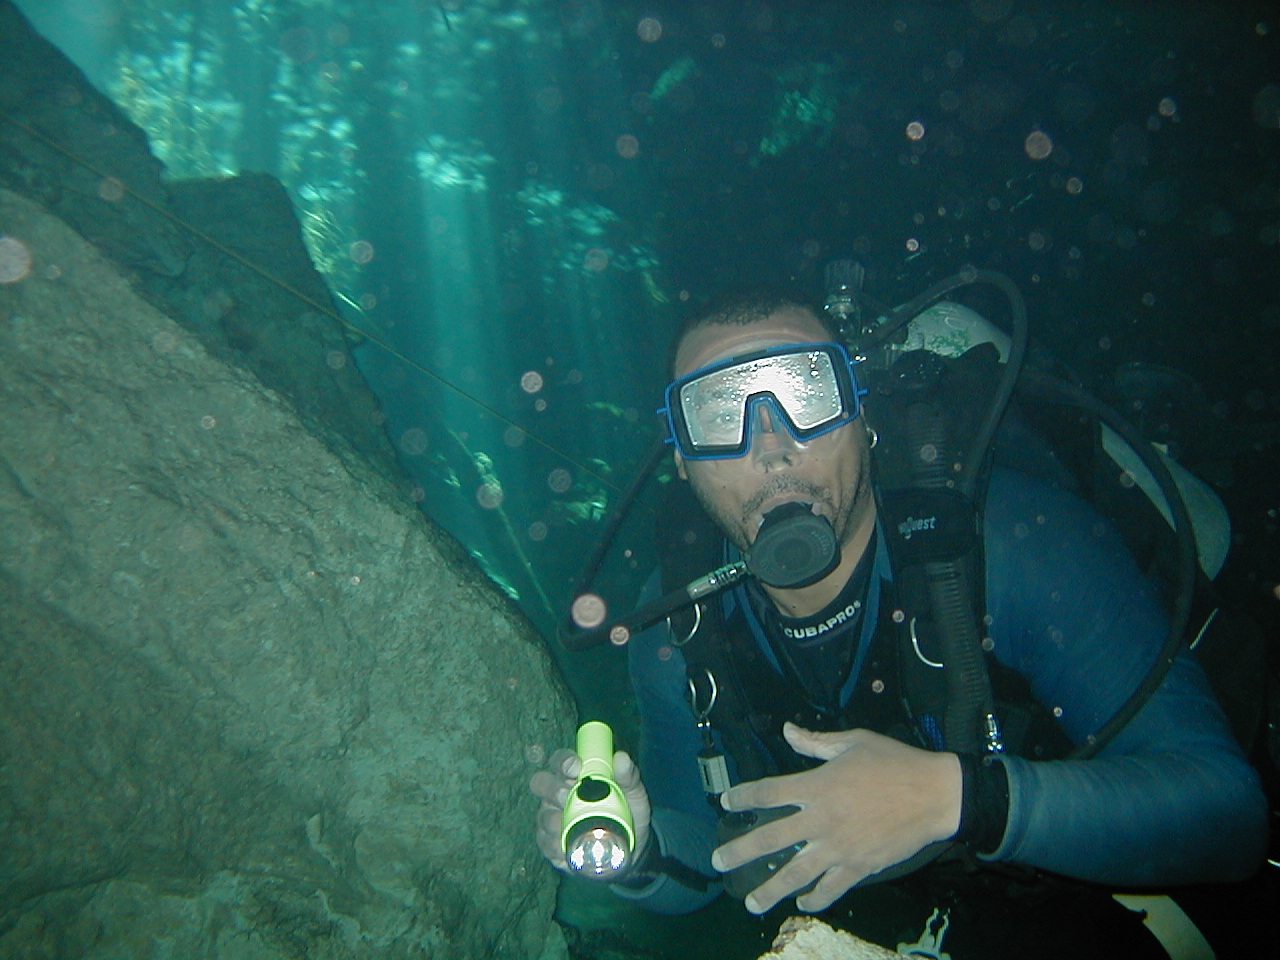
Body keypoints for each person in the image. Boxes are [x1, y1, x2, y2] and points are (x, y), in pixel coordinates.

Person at [531, 288, 1269, 957]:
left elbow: (1228, 814)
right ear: (684, 462)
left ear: (862, 412)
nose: (771, 447)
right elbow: (701, 875)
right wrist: (637, 847)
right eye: (720, 415)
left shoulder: (1010, 544)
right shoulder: (675, 628)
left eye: (804, 391)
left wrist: (955, 799)